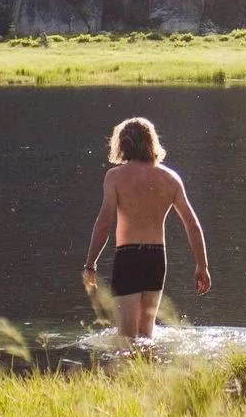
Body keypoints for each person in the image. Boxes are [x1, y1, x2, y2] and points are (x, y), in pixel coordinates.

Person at [81, 116, 210, 341]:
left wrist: (90, 264)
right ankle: (148, 374)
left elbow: (103, 225)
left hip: (128, 257)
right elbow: (193, 224)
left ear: (122, 144)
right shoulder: (170, 178)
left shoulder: (115, 177)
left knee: (127, 337)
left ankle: (131, 376)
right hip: (156, 258)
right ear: (152, 143)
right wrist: (202, 265)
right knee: (145, 336)